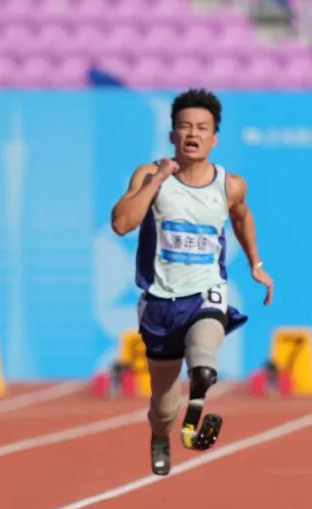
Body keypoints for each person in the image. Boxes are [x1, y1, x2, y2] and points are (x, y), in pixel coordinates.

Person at [111, 88, 274, 476]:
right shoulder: (150, 175)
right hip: (160, 301)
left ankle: (197, 405)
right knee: (163, 403)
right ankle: (161, 434)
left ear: (214, 137)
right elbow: (121, 223)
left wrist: (255, 263)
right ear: (172, 135)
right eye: (184, 126)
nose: (193, 133)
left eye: (202, 127)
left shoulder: (230, 184)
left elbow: (241, 217)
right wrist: (159, 180)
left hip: (206, 292)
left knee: (203, 363)